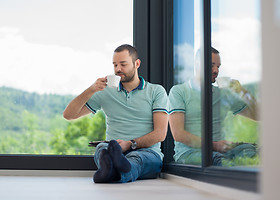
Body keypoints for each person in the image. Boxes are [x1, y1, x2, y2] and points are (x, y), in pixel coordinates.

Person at [63, 44, 168, 183]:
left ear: (137, 64)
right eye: (115, 65)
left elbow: (160, 134)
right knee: (102, 148)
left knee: (138, 160)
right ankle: (115, 169)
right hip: (113, 150)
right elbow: (69, 115)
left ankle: (110, 171)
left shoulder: (156, 91)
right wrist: (91, 89)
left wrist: (130, 144)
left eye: (123, 64)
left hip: (147, 152)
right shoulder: (105, 92)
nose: (118, 69)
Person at [168, 47, 258, 166]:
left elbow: (258, 115)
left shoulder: (222, 94)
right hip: (190, 153)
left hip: (222, 150)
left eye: (218, 67)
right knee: (220, 161)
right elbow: (178, 134)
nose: (216, 70)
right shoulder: (179, 91)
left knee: (255, 153)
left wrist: (243, 92)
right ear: (197, 64)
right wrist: (215, 145)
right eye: (211, 65)